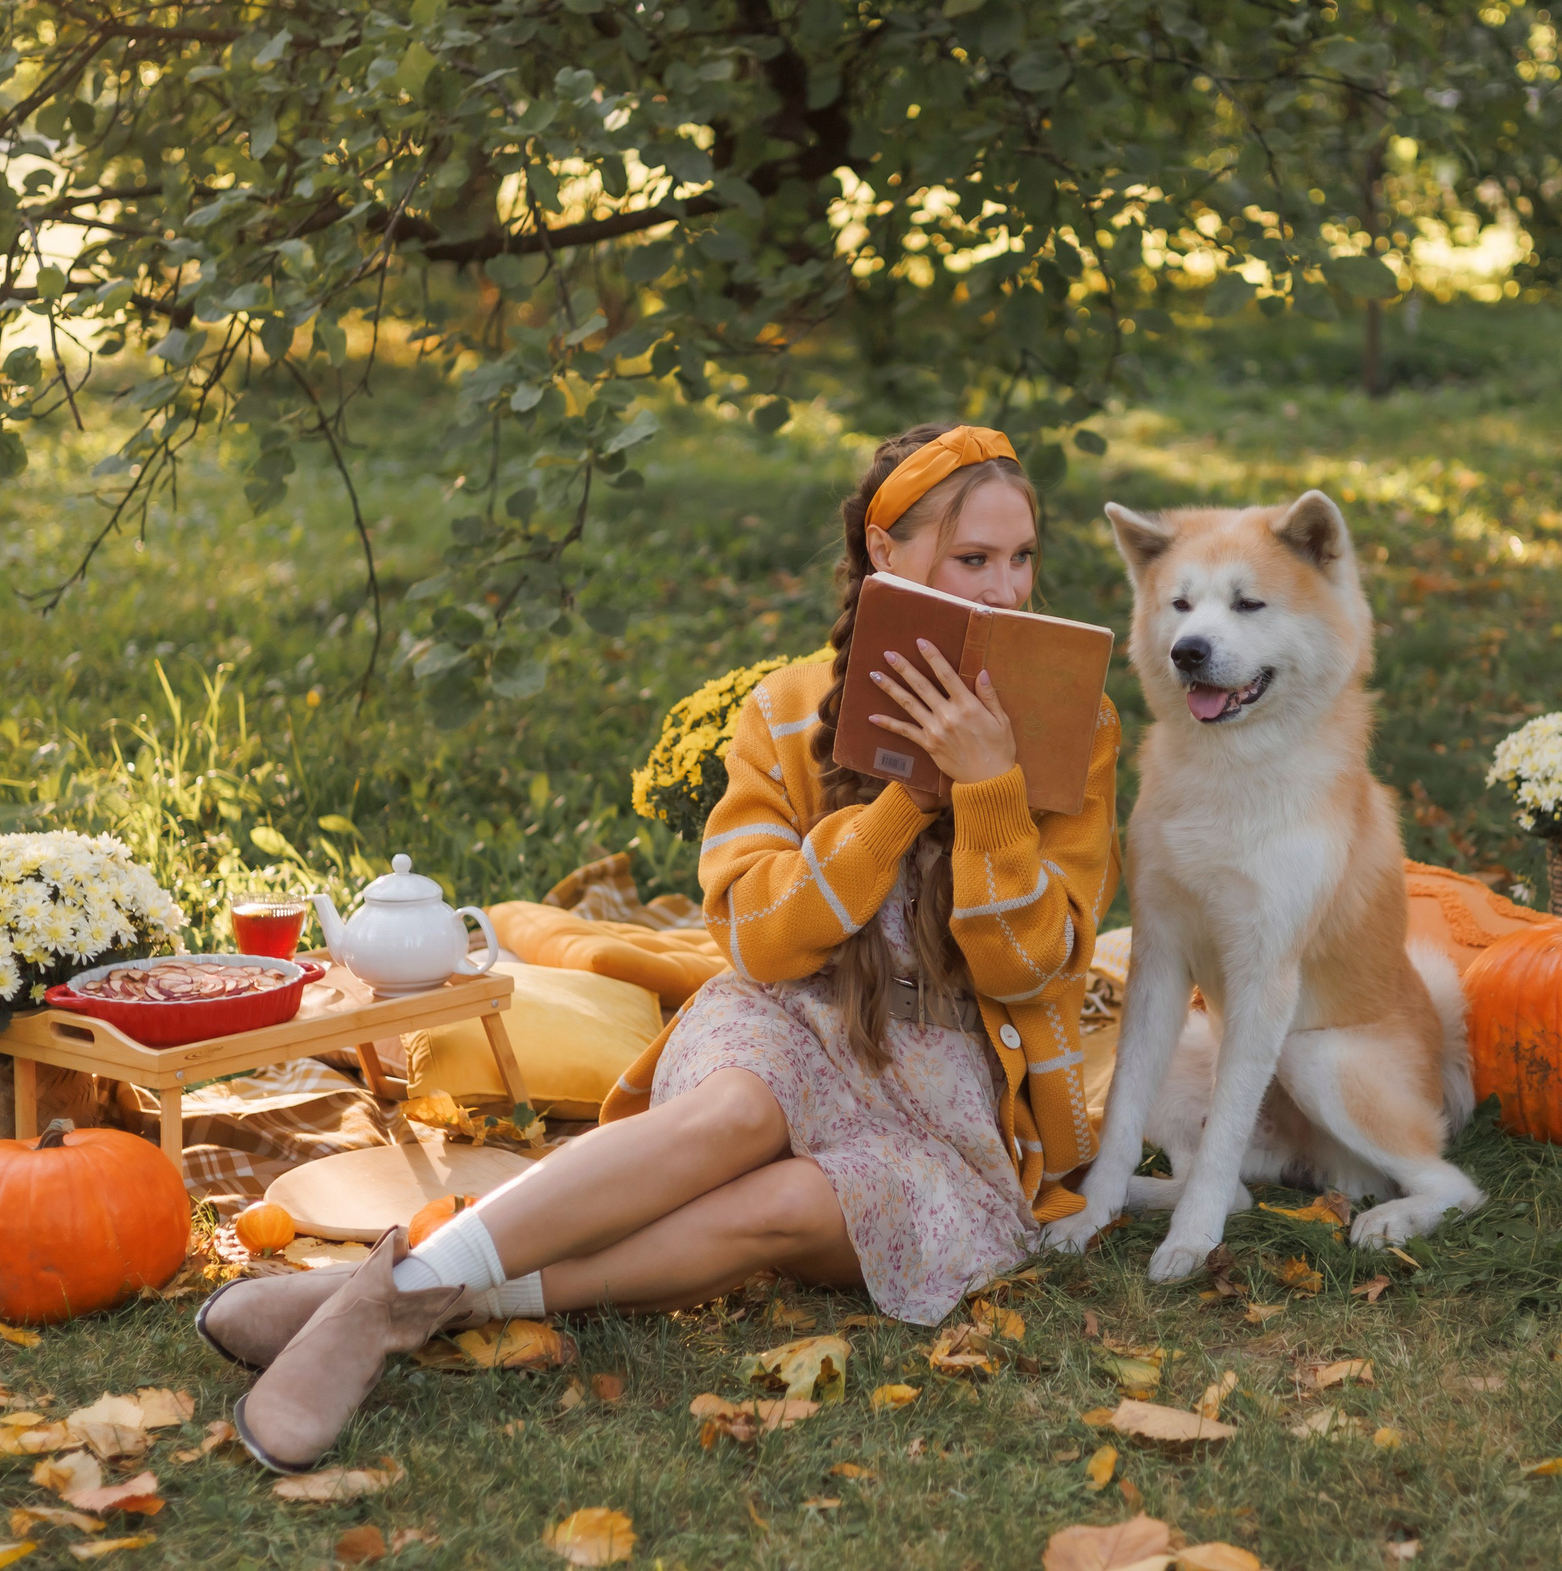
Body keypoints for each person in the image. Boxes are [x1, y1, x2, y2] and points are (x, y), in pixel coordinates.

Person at [204, 421, 1121, 1473]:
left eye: (1022, 556)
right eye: (973, 558)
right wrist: (909, 798)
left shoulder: (1075, 726)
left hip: (948, 1085)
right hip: (791, 1017)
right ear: (886, 553)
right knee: (736, 1113)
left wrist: (990, 788)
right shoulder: (784, 710)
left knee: (788, 1205)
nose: (1007, 590)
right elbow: (763, 942)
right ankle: (397, 1298)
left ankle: (406, 1296)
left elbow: (1028, 967)